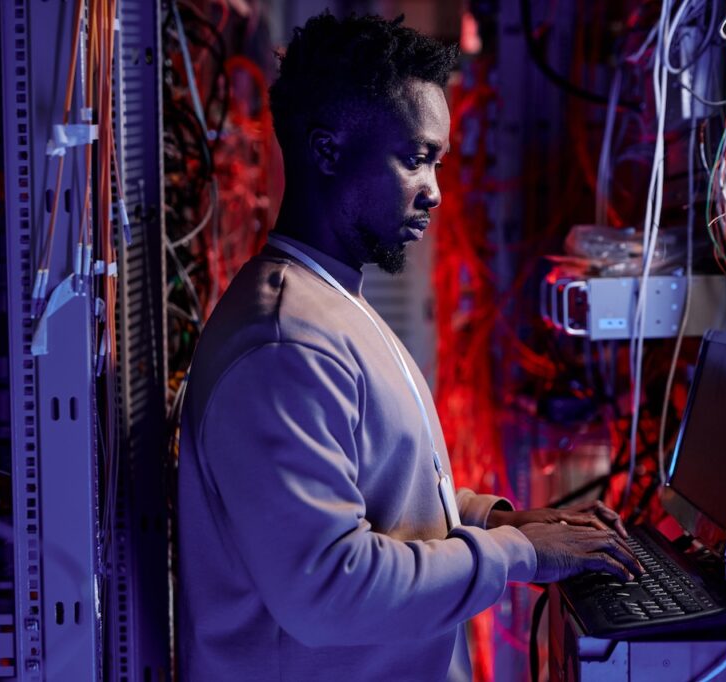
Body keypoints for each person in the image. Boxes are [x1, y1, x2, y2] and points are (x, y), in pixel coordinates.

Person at [177, 13, 641, 681]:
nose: (436, 191)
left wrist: (504, 520)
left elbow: (379, 500)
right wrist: (516, 555)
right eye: (416, 159)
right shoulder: (282, 345)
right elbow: (329, 591)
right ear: (328, 150)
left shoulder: (329, 305)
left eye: (438, 162)